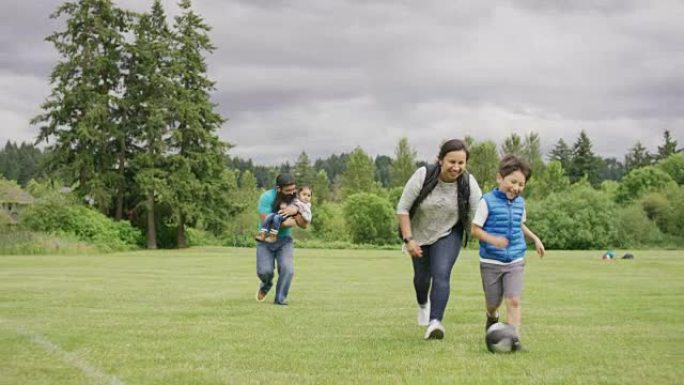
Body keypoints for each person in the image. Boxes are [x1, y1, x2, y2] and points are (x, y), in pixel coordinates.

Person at [397, 139, 483, 340]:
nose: (456, 167)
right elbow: (403, 209)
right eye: (451, 162)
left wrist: (489, 235)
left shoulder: (468, 183)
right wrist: (409, 239)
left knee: (441, 272)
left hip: (449, 232)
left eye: (461, 163)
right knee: (421, 279)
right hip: (418, 234)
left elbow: (479, 212)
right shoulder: (424, 175)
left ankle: (435, 322)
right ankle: (422, 304)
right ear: (440, 160)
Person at [470, 154, 545, 351]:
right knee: (493, 303)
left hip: (515, 259)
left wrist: (535, 238)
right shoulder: (486, 201)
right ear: (499, 178)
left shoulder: (520, 203)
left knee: (513, 300)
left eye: (521, 184)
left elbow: (521, 224)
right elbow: (475, 229)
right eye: (513, 182)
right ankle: (491, 317)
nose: (516, 188)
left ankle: (514, 340)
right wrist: (493, 240)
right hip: (491, 262)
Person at [255, 174, 308, 305]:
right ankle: (266, 285)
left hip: (285, 240)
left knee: (287, 270)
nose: (292, 193)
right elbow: (266, 221)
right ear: (278, 189)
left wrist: (295, 212)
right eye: (288, 190)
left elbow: (304, 224)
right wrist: (287, 222)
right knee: (264, 271)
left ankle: (280, 300)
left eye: (293, 189)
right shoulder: (266, 197)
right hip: (266, 240)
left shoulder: (297, 200)